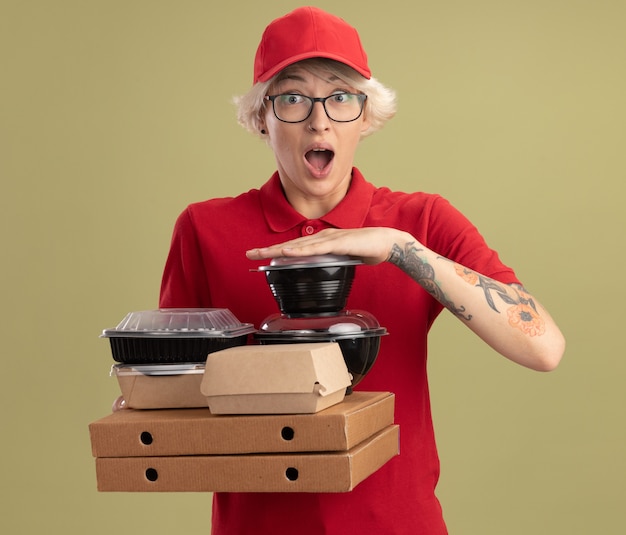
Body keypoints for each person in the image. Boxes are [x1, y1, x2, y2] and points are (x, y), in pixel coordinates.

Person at [159, 6, 565, 534]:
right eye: (293, 97)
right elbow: (170, 402)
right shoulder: (203, 228)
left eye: (341, 96)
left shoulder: (419, 221)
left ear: (366, 116)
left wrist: (401, 250)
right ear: (262, 116)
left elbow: (543, 348)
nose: (319, 119)